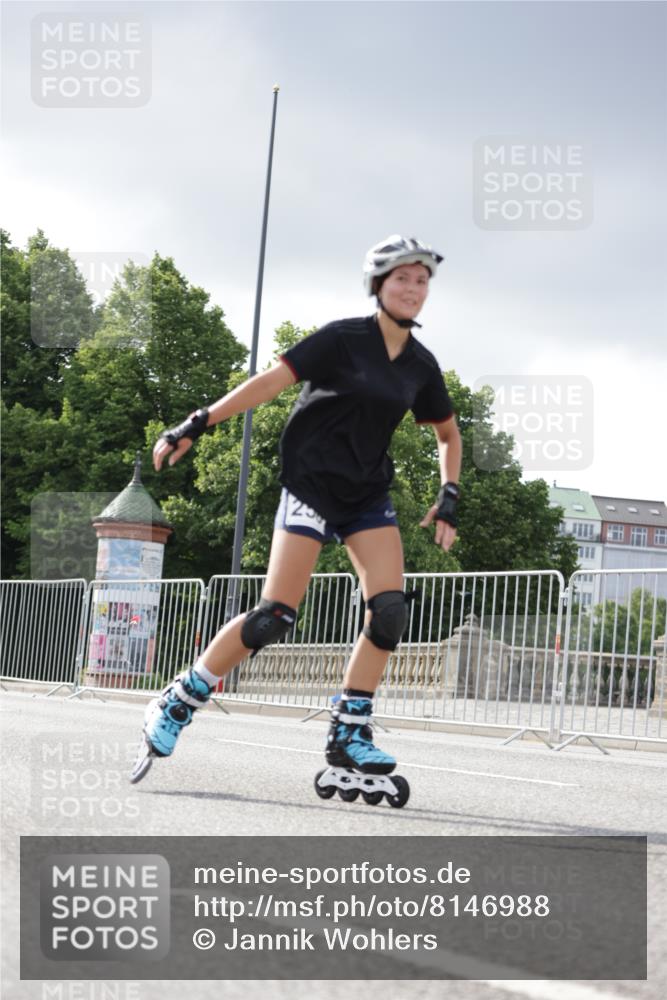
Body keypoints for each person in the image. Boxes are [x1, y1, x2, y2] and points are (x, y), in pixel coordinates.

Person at [131, 235, 462, 806]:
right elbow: (270, 382)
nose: (414, 289)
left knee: (389, 612)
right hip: (310, 483)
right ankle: (182, 698)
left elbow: (447, 434)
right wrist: (196, 422)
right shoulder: (341, 339)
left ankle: (350, 729)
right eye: (402, 278)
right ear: (378, 284)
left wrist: (449, 491)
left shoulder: (419, 366)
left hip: (364, 495)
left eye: (422, 280)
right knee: (275, 616)